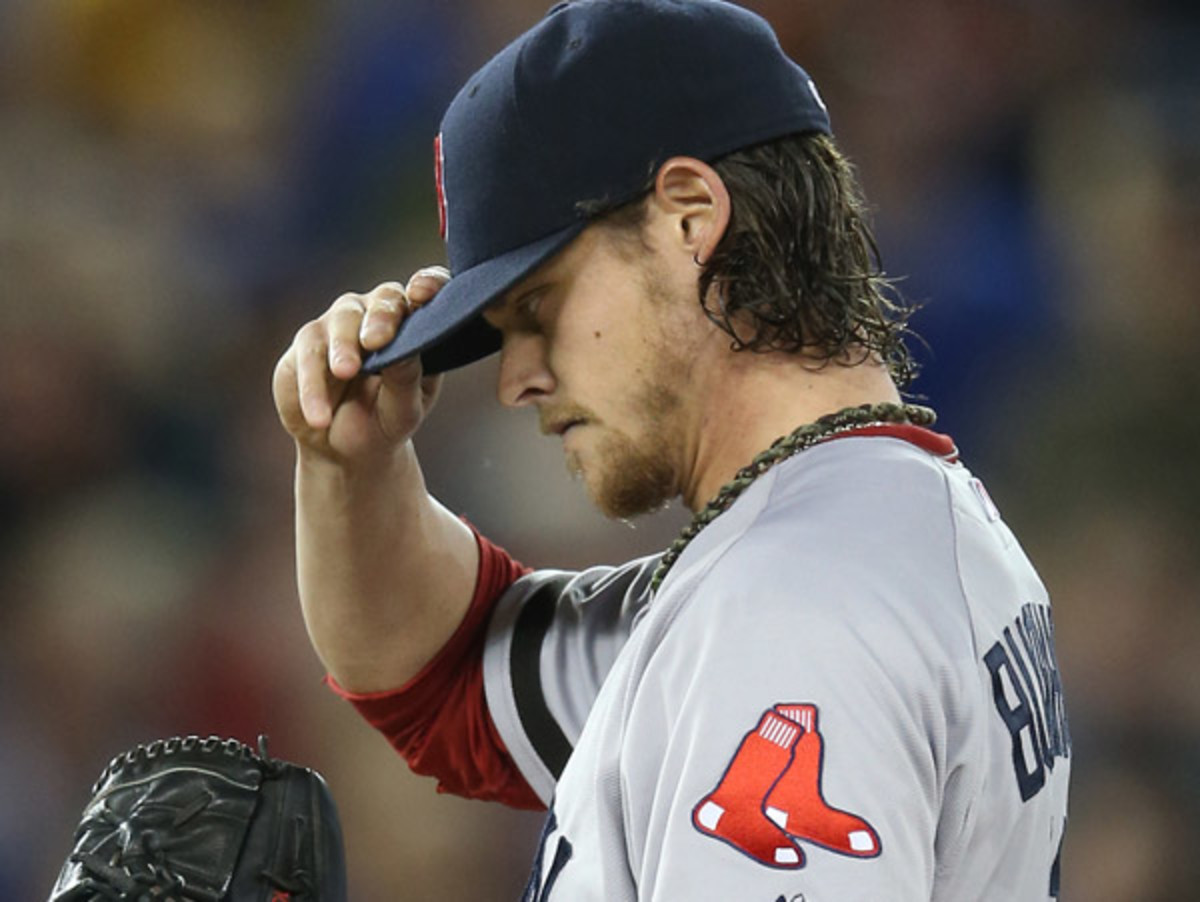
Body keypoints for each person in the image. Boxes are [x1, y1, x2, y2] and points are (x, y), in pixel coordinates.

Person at [272, 2, 1071, 899]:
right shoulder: (877, 524)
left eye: (538, 310)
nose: (515, 381)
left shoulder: (788, 620)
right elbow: (445, 683)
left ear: (691, 217)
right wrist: (352, 464)